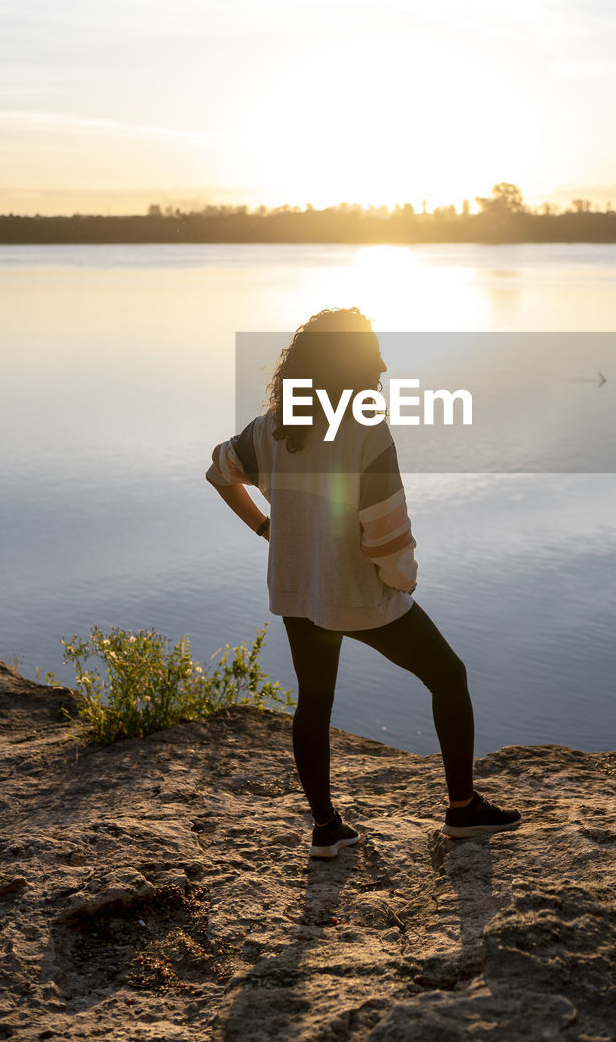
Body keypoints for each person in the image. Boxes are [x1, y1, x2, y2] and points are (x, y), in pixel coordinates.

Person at [206, 307, 520, 858]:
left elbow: (219, 471)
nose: (379, 360)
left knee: (314, 701)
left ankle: (326, 828)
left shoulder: (272, 429)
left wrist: (265, 527)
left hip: (299, 589)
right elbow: (386, 533)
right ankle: (463, 809)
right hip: (361, 594)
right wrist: (401, 582)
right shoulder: (364, 432)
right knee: (449, 676)